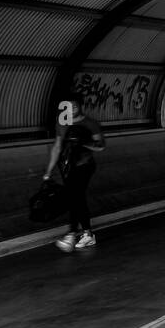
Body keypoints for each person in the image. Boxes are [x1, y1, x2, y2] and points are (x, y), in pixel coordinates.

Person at [43, 96, 106, 252]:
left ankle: (71, 234)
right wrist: (48, 172)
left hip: (84, 165)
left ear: (80, 107)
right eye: (67, 108)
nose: (71, 111)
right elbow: (57, 147)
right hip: (68, 166)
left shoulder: (90, 124)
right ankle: (87, 234)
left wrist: (83, 142)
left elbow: (101, 146)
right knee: (77, 198)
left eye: (74, 107)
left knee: (75, 195)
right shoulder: (61, 123)